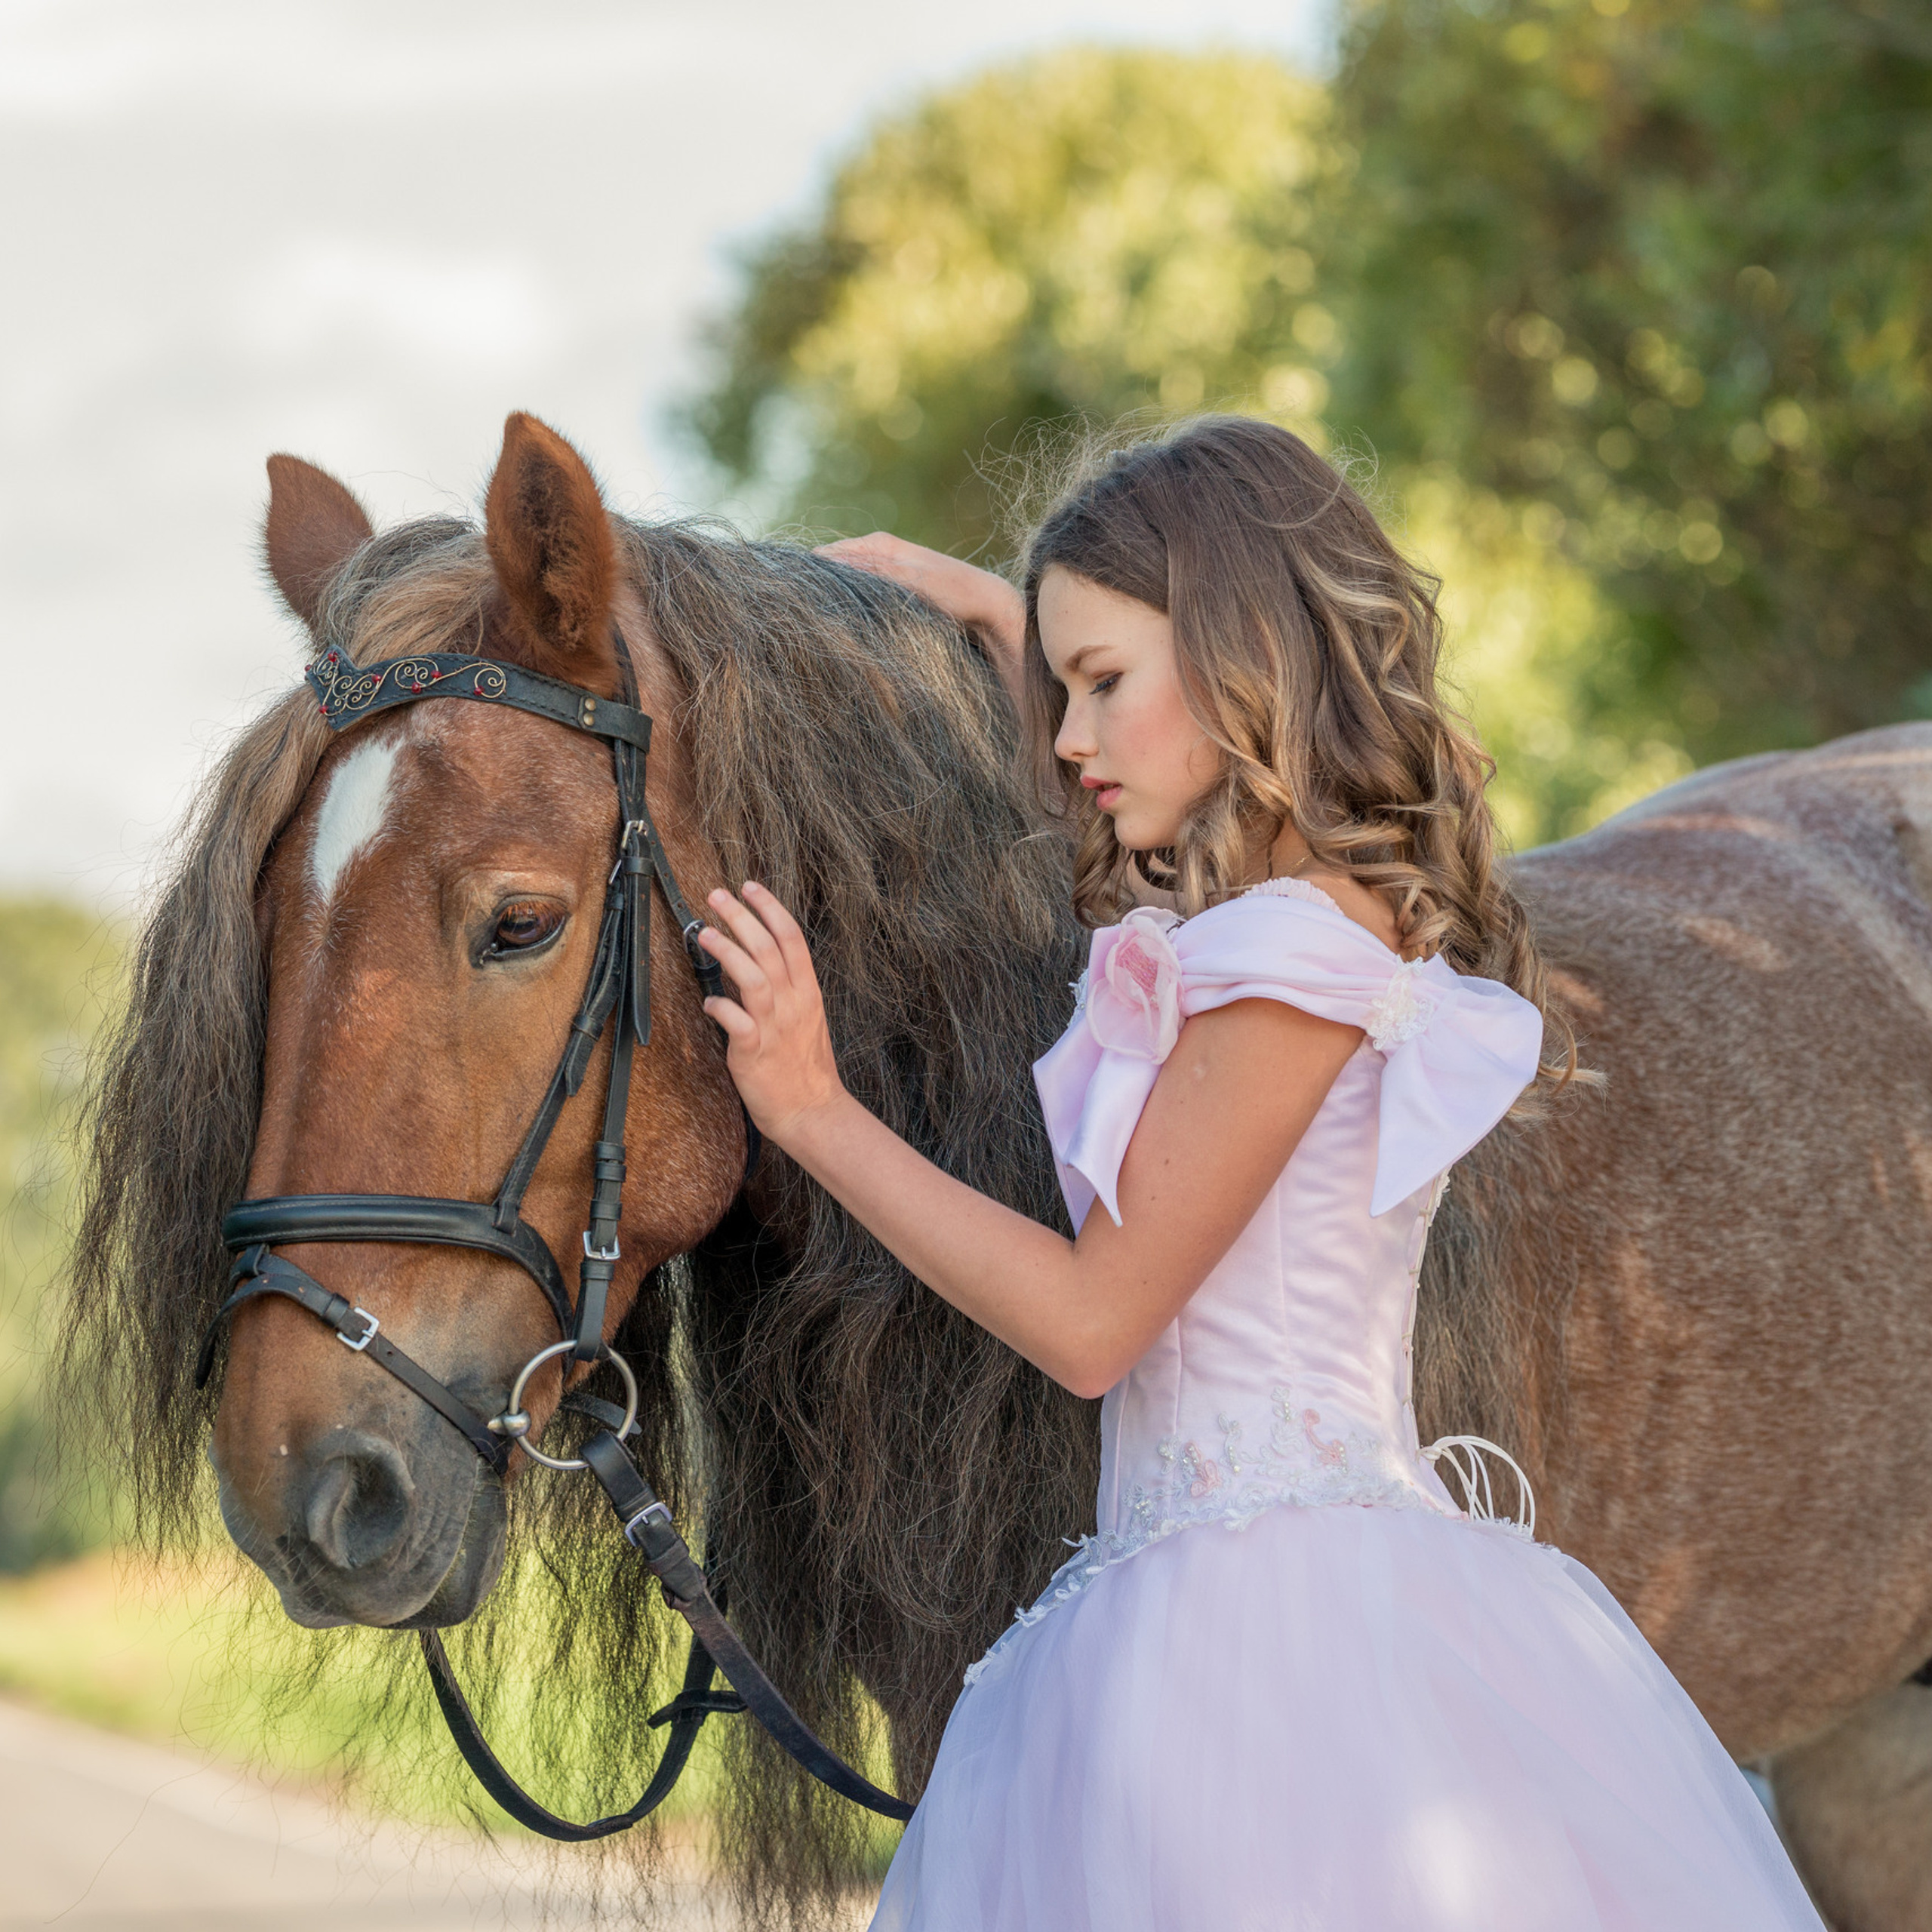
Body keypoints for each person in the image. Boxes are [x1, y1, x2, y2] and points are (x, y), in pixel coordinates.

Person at [695, 418, 1823, 1929]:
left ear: (1240, 658)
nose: (1070, 741)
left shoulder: (1291, 957)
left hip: (1275, 1633)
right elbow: (1130, 737)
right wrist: (975, 608)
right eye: (1059, 690)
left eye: (1101, 686)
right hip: (1178, 1594)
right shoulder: (1247, 925)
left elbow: (1098, 1321)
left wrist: (813, 1108)